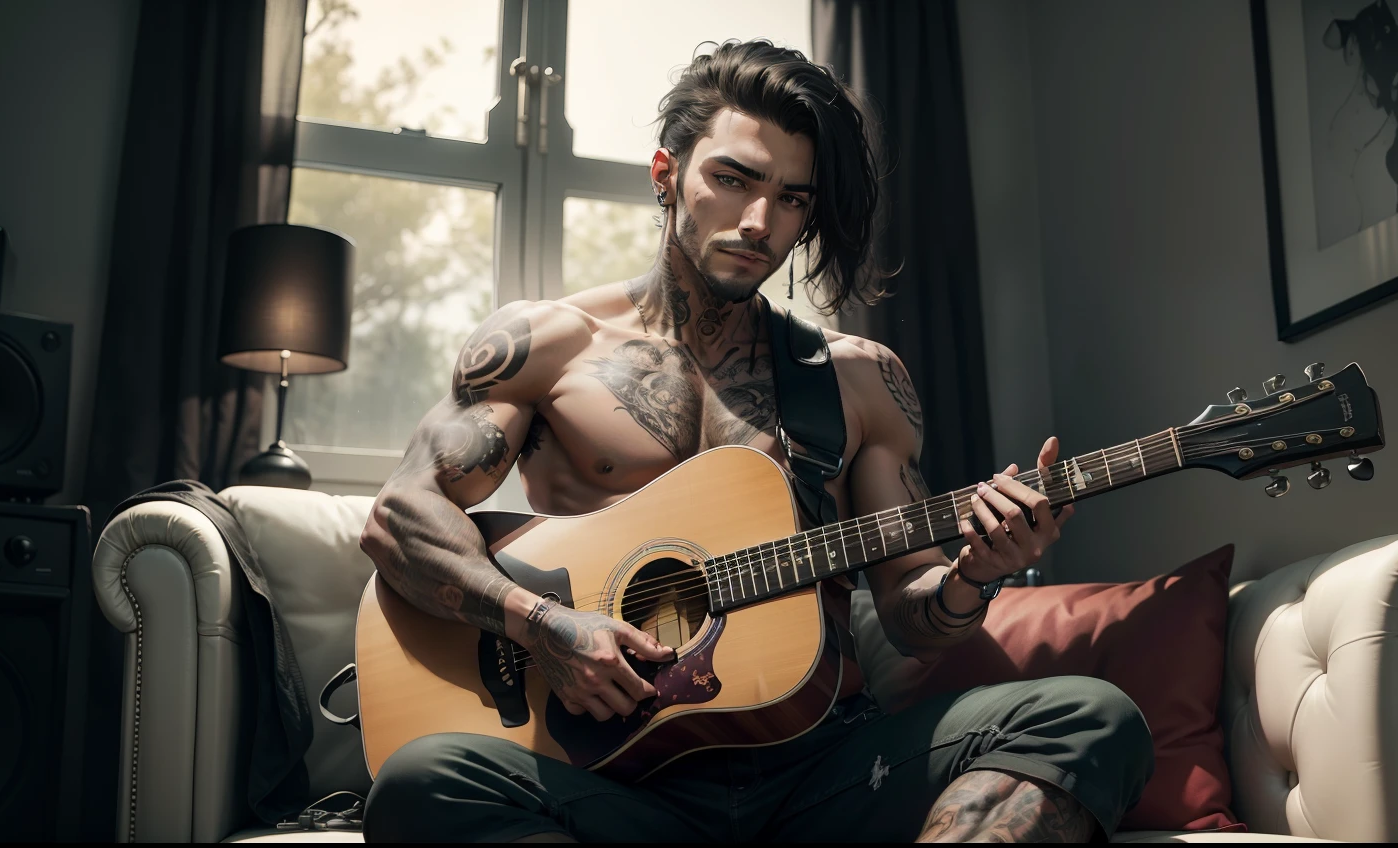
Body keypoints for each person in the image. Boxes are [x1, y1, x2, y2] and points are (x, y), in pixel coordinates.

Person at [357, 39, 1152, 843]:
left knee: (1092, 715)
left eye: (791, 199)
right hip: (620, 786)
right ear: (666, 174)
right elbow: (400, 518)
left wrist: (973, 576)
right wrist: (541, 624)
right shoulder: (549, 346)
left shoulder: (858, 381)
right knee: (423, 781)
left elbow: (912, 621)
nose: (758, 222)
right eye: (732, 180)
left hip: (820, 771)